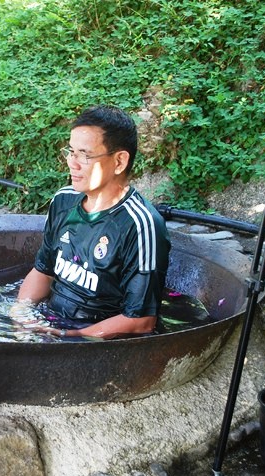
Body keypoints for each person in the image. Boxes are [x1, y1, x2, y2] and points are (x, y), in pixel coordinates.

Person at [13, 105, 170, 340]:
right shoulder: (64, 200)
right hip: (53, 318)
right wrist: (21, 314)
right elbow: (43, 271)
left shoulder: (140, 224)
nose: (72, 163)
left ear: (119, 161)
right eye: (71, 151)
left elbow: (141, 320)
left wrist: (69, 335)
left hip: (93, 336)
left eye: (85, 155)